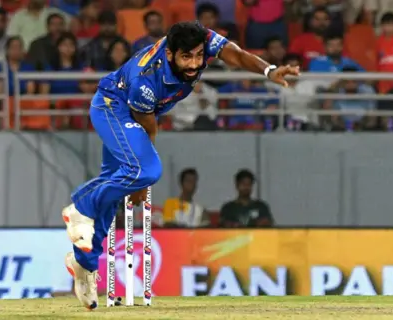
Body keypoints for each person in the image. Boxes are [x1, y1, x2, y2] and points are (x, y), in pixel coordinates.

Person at [62, 21, 298, 310]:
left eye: (199, 56)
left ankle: (82, 264)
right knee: (147, 171)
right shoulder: (145, 79)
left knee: (115, 190)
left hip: (128, 113)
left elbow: (233, 53)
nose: (195, 64)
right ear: (171, 54)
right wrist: (142, 180)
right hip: (113, 107)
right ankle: (81, 207)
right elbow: (146, 126)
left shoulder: (200, 39)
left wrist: (269, 70)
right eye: (187, 57)